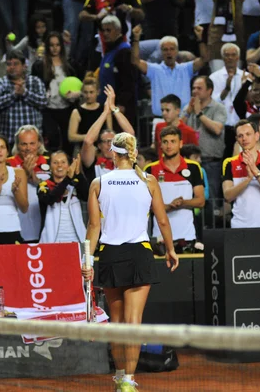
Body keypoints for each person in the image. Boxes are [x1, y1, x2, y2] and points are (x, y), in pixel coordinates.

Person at [82, 131, 179, 392]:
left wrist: (87, 261)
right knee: (133, 321)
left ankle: (120, 376)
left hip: (110, 256)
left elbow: (93, 227)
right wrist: (170, 249)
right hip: (139, 254)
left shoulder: (98, 183)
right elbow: (162, 221)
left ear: (113, 152)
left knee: (117, 323)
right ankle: (128, 382)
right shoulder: (148, 181)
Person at [144, 126, 205, 249]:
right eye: (165, 142)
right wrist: (167, 207)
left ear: (181, 144)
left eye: (173, 141)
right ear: (160, 145)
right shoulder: (150, 169)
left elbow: (201, 201)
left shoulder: (193, 167)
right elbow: (144, 205)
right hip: (159, 238)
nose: (168, 145)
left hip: (187, 237)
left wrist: (182, 203)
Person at [223, 119, 260, 228]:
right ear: (237, 140)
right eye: (240, 136)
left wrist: (256, 171)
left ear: (257, 136)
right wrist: (248, 179)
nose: (244, 138)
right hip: (238, 225)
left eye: (248, 134)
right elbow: (227, 196)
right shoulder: (230, 163)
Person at [31, 31, 77, 154]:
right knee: (51, 138)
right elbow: (33, 84)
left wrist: (75, 94)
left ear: (61, 46)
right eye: (51, 45)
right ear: (47, 46)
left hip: (67, 107)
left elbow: (78, 85)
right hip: (48, 108)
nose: (55, 48)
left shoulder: (70, 64)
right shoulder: (39, 65)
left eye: (57, 45)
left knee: (68, 141)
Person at [0, 49, 47, 147]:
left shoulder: (35, 81)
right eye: (9, 64)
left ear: (24, 65)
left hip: (32, 141)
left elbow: (43, 102)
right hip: (8, 140)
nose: (12, 67)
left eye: (16, 64)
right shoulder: (0, 83)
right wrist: (14, 95)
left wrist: (25, 93)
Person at [7, 125, 51, 243]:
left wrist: (33, 177)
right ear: (17, 145)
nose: (28, 148)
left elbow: (54, 187)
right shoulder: (8, 163)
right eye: (24, 144)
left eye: (32, 143)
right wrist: (25, 173)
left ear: (39, 143)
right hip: (17, 221)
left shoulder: (50, 161)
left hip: (45, 220)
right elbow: (7, 189)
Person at [38, 152, 88, 243]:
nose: (59, 165)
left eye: (63, 162)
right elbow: (50, 199)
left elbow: (87, 196)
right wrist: (68, 178)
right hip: (51, 241)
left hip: (77, 240)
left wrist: (78, 173)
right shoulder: (44, 185)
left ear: (69, 166)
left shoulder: (75, 184)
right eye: (55, 162)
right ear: (50, 167)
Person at [68, 76, 110, 154]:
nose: (88, 96)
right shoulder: (77, 112)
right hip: (84, 150)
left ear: (98, 92)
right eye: (86, 92)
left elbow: (110, 132)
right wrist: (90, 137)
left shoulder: (105, 110)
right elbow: (71, 136)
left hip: (103, 151)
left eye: (91, 92)